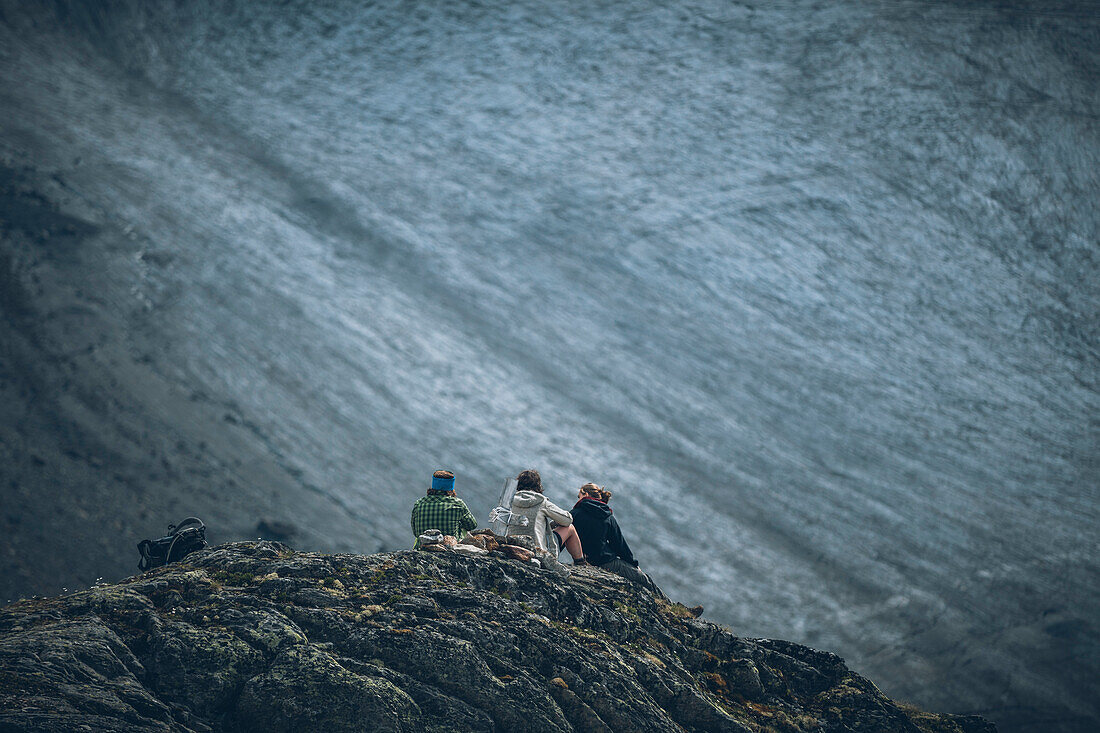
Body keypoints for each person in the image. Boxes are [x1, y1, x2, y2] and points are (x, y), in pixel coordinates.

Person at [571, 482, 665, 597]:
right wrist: (633, 564)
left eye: (578, 496)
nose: (578, 499)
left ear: (585, 494)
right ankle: (671, 607)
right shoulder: (607, 516)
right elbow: (619, 545)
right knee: (644, 579)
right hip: (606, 562)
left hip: (585, 560)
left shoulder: (574, 514)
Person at [507, 469, 586, 565]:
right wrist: (554, 523)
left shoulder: (509, 500)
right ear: (538, 485)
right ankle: (580, 562)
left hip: (512, 547)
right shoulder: (541, 501)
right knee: (570, 528)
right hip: (537, 550)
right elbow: (567, 520)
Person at [410, 470, 478, 549]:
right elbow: (472, 525)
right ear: (450, 488)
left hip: (422, 548)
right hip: (449, 548)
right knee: (463, 526)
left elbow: (415, 532)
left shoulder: (419, 503)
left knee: (419, 537)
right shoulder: (458, 504)